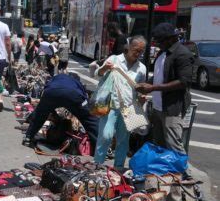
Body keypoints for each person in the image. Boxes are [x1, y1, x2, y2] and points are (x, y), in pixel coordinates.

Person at [136, 23, 193, 154]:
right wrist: (145, 84)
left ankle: (184, 173)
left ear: (171, 38)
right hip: (158, 106)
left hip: (172, 107)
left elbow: (184, 82)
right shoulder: (162, 53)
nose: (157, 44)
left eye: (160, 41)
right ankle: (163, 171)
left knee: (173, 144)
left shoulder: (182, 54)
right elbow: (158, 76)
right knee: (159, 143)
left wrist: (153, 87)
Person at [94, 36, 147, 169]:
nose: (138, 54)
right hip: (111, 105)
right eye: (136, 50)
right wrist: (105, 68)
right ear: (128, 47)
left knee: (123, 141)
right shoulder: (114, 59)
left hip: (128, 107)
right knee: (106, 136)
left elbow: (140, 88)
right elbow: (97, 74)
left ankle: (118, 168)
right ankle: (97, 165)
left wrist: (141, 96)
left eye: (141, 51)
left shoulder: (142, 68)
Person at [23, 73, 99, 149]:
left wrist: (49, 110)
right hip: (73, 95)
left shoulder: (58, 77)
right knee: (88, 119)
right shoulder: (77, 82)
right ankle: (100, 146)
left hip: (51, 92)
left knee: (40, 115)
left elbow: (46, 87)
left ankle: (28, 138)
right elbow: (84, 97)